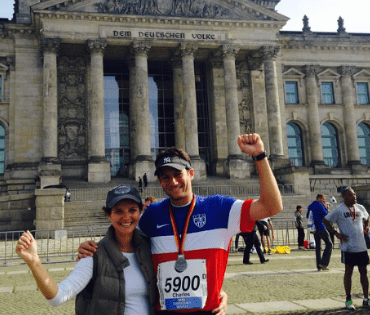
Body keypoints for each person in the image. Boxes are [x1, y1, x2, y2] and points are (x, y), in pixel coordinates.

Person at [80, 133, 283, 314]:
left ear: (191, 173)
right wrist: (93, 250)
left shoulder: (220, 208)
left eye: (178, 174)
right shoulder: (151, 215)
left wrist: (260, 156)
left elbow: (271, 207)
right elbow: (124, 244)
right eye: (165, 177)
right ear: (160, 182)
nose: (173, 182)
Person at [16, 184, 158, 314]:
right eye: (118, 211)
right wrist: (34, 262)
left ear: (140, 212)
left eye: (132, 210)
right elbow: (58, 296)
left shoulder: (151, 249)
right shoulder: (93, 255)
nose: (126, 217)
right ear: (109, 215)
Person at [323, 187, 370, 310]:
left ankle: (366, 299)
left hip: (361, 246)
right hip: (348, 247)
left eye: (354, 194)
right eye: (351, 195)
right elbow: (326, 220)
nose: (354, 196)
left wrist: (366, 227)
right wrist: (335, 233)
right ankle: (348, 300)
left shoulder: (360, 207)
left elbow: (367, 217)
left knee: (364, 272)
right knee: (348, 272)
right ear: (344, 197)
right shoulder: (339, 210)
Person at [307, 194, 332, 271]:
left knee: (318, 247)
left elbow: (307, 215)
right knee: (329, 244)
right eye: (323, 199)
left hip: (314, 229)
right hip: (321, 227)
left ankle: (318, 265)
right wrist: (326, 208)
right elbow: (326, 215)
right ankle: (323, 263)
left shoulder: (310, 205)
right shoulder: (320, 205)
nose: (324, 200)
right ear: (319, 199)